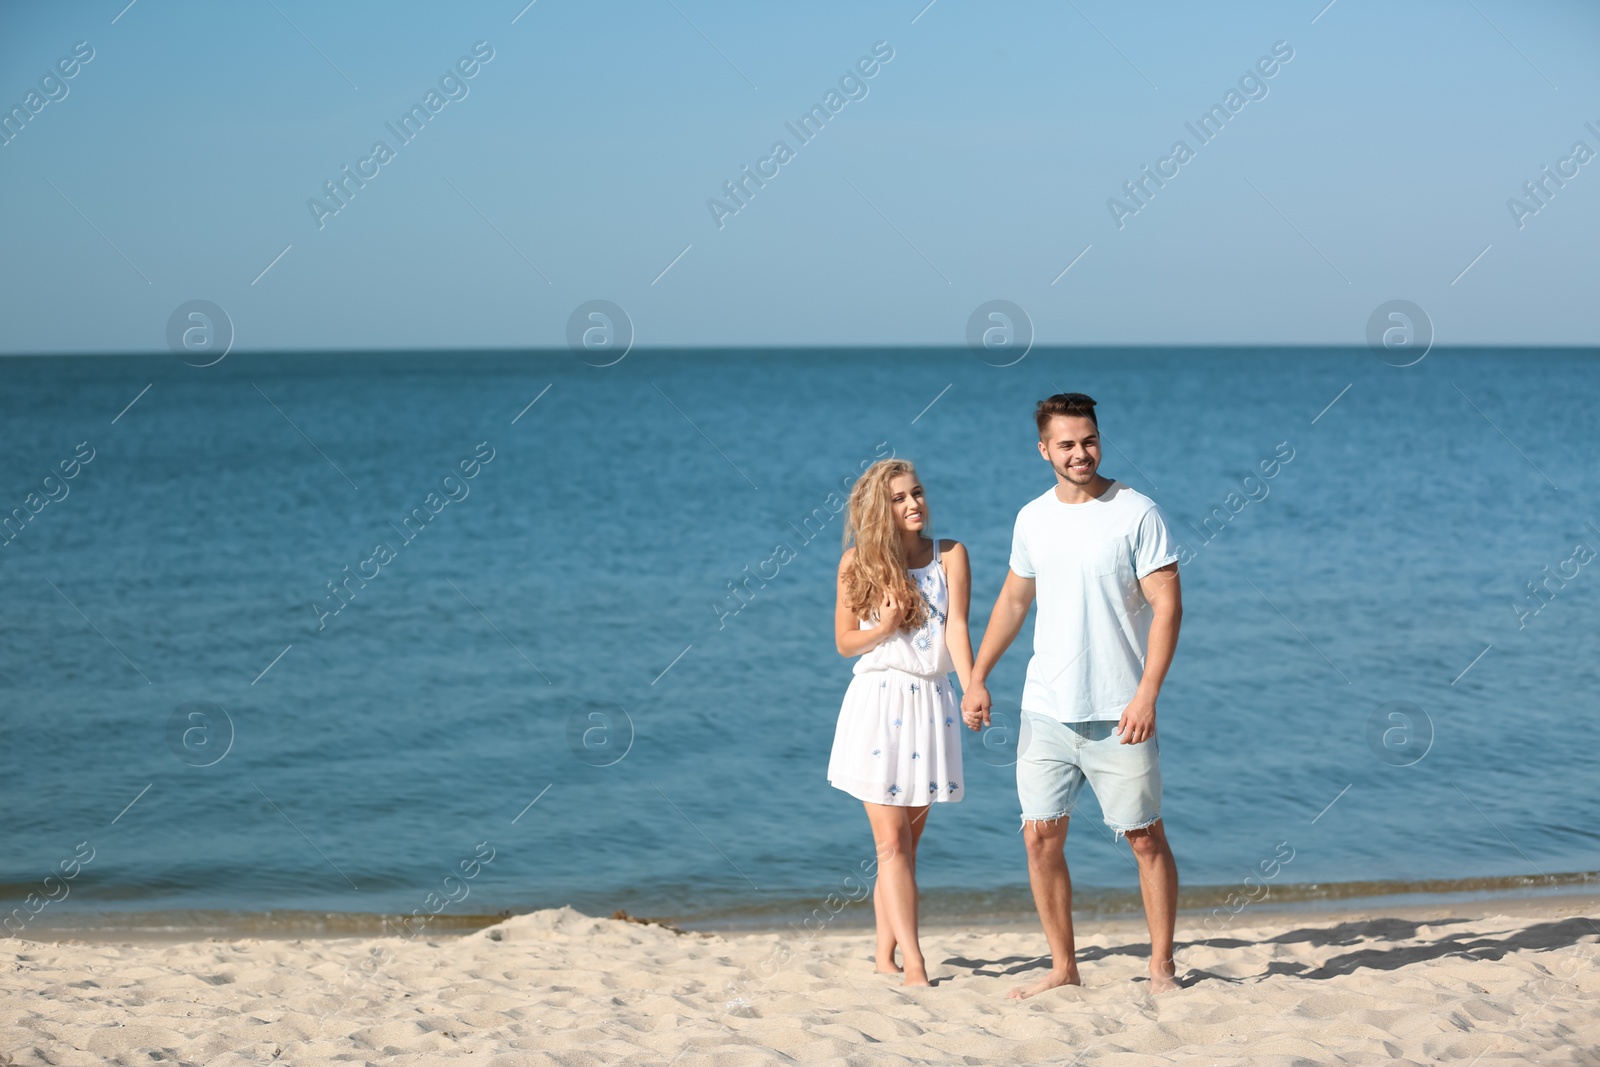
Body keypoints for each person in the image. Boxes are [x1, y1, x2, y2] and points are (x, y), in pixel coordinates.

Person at [961, 392, 1184, 998]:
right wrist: (978, 676)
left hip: (1121, 710)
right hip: (1045, 709)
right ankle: (1064, 967)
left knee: (1144, 838)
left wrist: (1147, 694)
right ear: (1044, 450)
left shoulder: (1137, 512)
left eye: (1088, 440)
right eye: (1066, 444)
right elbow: (1013, 601)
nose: (1080, 453)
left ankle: (1161, 966)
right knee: (1039, 837)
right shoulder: (1032, 517)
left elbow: (1168, 606)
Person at [828, 459, 972, 987]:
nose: (914, 504)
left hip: (931, 702)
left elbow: (956, 627)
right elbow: (845, 642)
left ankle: (882, 956)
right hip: (876, 703)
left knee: (904, 846)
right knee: (891, 844)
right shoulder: (854, 564)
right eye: (899, 498)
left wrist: (973, 683)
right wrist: (883, 628)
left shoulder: (950, 556)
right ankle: (915, 964)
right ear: (877, 509)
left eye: (917, 493)